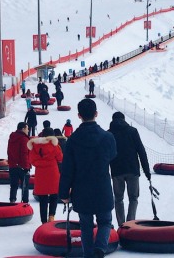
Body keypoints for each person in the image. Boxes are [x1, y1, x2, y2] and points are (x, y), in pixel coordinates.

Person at [59, 99, 117, 258]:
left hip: (81, 190)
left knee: (85, 227)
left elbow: (67, 169)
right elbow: (112, 156)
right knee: (105, 222)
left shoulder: (73, 140)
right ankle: (100, 248)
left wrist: (64, 193)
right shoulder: (108, 137)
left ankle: (89, 255)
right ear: (96, 114)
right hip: (102, 188)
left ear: (79, 116)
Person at [108, 111, 152, 226]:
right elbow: (141, 151)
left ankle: (121, 225)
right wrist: (147, 172)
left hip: (116, 171)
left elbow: (105, 155)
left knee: (118, 199)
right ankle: (130, 223)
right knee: (133, 198)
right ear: (124, 119)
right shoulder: (132, 131)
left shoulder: (109, 134)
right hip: (133, 170)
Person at [28, 127, 63, 223]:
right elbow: (60, 158)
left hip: (40, 173)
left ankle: (43, 221)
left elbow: (31, 160)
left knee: (42, 198)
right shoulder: (55, 145)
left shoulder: (35, 146)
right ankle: (51, 216)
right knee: (54, 195)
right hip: (53, 172)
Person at [7, 122, 31, 203]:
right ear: (23, 128)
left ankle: (12, 201)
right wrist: (26, 166)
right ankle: (25, 203)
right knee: (25, 186)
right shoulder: (24, 139)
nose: (28, 130)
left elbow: (9, 151)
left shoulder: (12, 137)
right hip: (22, 167)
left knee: (13, 185)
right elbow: (24, 153)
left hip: (13, 165)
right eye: (27, 128)